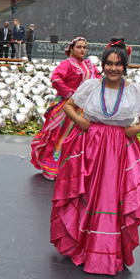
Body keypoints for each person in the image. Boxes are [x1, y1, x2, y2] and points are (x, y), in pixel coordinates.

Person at [51, 37, 140, 275]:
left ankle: (109, 249)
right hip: (91, 148)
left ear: (125, 66)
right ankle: (81, 245)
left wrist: (135, 130)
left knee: (113, 198)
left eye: (118, 64)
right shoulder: (92, 85)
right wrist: (82, 122)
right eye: (109, 63)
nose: (113, 68)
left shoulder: (135, 91)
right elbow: (68, 105)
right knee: (89, 194)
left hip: (120, 150)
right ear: (102, 64)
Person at [30, 37, 100, 180]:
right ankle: (52, 169)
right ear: (72, 49)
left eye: (84, 47)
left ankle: (74, 171)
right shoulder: (68, 64)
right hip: (66, 107)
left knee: (80, 139)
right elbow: (56, 78)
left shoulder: (90, 65)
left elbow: (98, 80)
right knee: (60, 137)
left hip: (85, 108)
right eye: (79, 47)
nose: (82, 50)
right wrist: (70, 94)